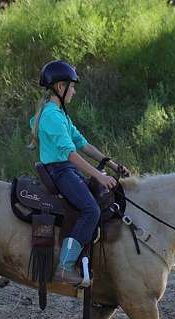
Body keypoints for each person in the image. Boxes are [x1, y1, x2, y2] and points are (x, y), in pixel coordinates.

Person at [29, 59, 129, 285]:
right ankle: (64, 267)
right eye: (72, 86)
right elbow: (70, 154)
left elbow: (83, 145)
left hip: (66, 169)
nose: (74, 91)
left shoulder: (60, 114)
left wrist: (112, 165)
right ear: (60, 88)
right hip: (60, 171)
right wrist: (99, 175)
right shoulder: (52, 116)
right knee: (90, 210)